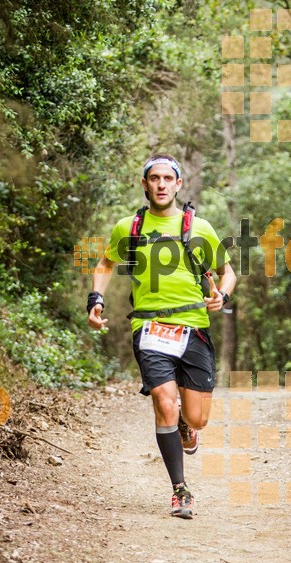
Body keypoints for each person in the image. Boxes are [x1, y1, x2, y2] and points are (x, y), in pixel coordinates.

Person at [87, 154, 236, 518]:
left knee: (197, 417)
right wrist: (96, 298)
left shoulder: (200, 228)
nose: (161, 184)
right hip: (149, 327)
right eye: (154, 178)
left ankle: (188, 425)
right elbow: (106, 263)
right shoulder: (129, 228)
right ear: (145, 184)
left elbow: (226, 271)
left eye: (168, 178)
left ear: (178, 184)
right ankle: (180, 490)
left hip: (193, 327)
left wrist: (223, 295)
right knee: (164, 401)